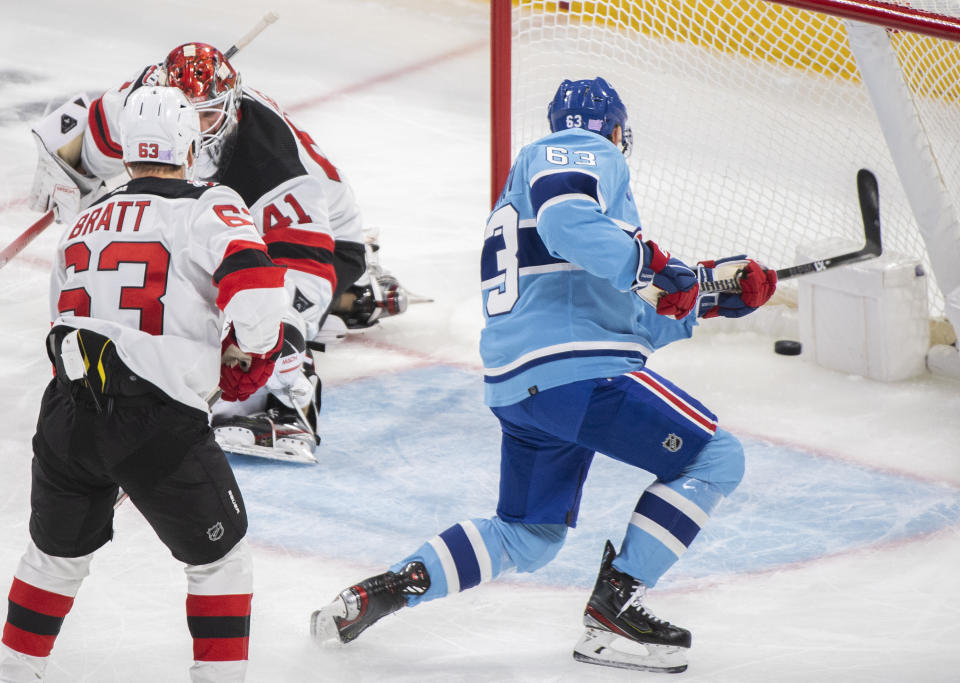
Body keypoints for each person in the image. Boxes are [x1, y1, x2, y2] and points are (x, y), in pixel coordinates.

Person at [309, 77, 778, 673]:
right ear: (613, 129)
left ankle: (382, 591)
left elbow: (617, 313)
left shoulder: (523, 197)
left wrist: (705, 298)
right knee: (717, 458)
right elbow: (569, 223)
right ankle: (615, 612)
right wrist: (655, 265)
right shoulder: (578, 153)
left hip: (526, 386)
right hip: (578, 372)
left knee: (528, 534)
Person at [0, 86, 287, 682]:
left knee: (53, 560)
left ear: (128, 149)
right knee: (221, 562)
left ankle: (14, 668)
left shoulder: (83, 219)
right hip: (155, 422)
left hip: (66, 417)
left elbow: (64, 318)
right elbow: (256, 285)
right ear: (189, 143)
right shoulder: (208, 203)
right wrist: (253, 353)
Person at [27, 42, 409, 461]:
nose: (195, 127)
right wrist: (65, 168)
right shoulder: (152, 104)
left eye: (207, 113)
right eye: (186, 113)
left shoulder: (276, 169)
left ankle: (295, 393)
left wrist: (278, 333)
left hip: (319, 236)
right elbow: (85, 125)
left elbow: (302, 275)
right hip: (222, 215)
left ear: (232, 106)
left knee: (253, 303)